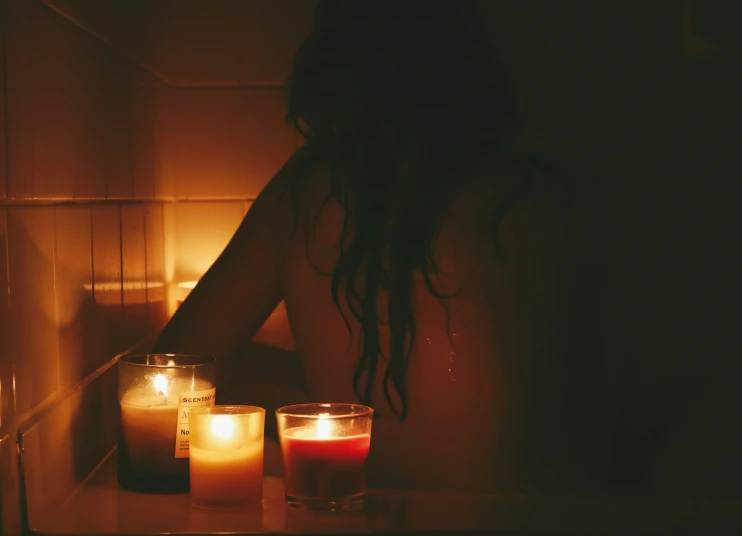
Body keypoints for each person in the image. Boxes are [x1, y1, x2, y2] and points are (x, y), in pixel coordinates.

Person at [153, 0, 601, 494]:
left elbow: (170, 374)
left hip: (365, 522)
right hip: (524, 525)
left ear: (333, 66)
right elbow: (594, 405)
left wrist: (276, 425)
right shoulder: (530, 196)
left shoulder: (305, 198)